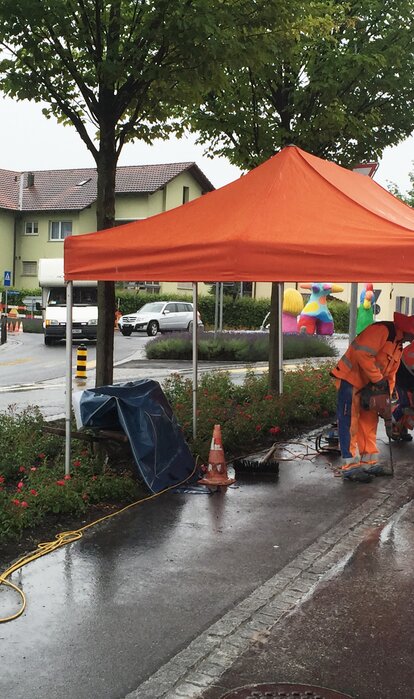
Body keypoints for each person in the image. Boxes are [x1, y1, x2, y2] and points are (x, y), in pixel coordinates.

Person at [331, 312, 414, 481]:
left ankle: (369, 462)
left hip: (371, 386)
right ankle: (350, 466)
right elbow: (362, 354)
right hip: (351, 380)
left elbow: (391, 374)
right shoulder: (382, 331)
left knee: (369, 422)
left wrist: (386, 399)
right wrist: (378, 379)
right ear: (408, 331)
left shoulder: (398, 345)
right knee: (350, 421)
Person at [391, 340, 414, 441]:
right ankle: (393, 425)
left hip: (405, 379)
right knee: (405, 405)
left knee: (407, 406)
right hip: (403, 382)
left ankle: (401, 427)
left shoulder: (410, 348)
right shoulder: (410, 352)